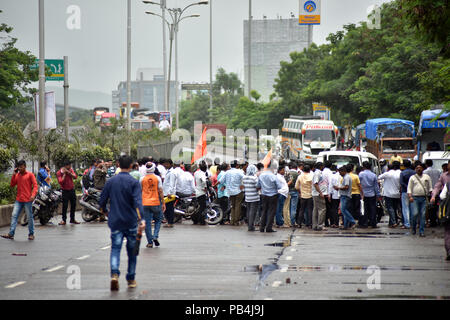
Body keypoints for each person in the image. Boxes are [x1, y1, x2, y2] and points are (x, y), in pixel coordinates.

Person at [99, 155, 146, 290]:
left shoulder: (110, 182)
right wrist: (141, 219)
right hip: (130, 222)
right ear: (131, 166)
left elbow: (102, 201)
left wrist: (105, 212)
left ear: (118, 165)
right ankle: (131, 279)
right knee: (132, 252)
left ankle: (114, 273)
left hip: (115, 222)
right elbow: (137, 202)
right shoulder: (133, 182)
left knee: (115, 249)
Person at [1, 160, 38, 240]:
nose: (20, 168)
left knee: (29, 217)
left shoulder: (30, 175)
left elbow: (35, 186)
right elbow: (12, 184)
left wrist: (33, 195)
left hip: (27, 199)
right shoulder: (17, 175)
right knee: (14, 215)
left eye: (21, 167)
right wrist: (14, 175)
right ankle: (11, 233)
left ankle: (31, 234)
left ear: (25, 166)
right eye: (19, 167)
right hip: (19, 199)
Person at [140, 162, 165, 248]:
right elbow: (160, 191)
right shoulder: (157, 178)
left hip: (145, 203)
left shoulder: (142, 179)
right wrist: (163, 202)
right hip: (156, 202)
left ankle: (150, 242)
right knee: (158, 220)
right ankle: (155, 236)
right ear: (154, 168)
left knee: (147, 223)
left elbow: (139, 191)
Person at [407, 162, 433, 237]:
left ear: (423, 168)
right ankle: (414, 228)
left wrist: (432, 196)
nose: (419, 169)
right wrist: (410, 196)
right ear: (415, 169)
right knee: (415, 214)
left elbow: (430, 187)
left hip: (424, 198)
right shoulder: (412, 177)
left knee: (423, 215)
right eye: (417, 168)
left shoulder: (427, 177)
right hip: (414, 198)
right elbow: (409, 188)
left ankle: (421, 231)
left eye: (420, 168)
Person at [257, 160, 282, 232]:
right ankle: (268, 227)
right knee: (271, 211)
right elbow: (279, 186)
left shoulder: (261, 175)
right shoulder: (273, 176)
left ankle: (262, 227)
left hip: (264, 195)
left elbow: (258, 185)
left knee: (264, 211)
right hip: (273, 195)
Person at [219, 160, 244, 226]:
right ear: (237, 165)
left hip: (230, 192)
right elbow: (244, 178)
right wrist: (242, 185)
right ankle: (236, 221)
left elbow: (221, 181)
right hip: (238, 191)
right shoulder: (239, 172)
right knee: (238, 206)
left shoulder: (227, 172)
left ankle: (232, 221)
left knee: (233, 206)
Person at [378, 162, 401, 228]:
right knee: (394, 208)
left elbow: (379, 177)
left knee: (390, 208)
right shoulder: (398, 173)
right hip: (397, 194)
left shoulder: (387, 174)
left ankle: (393, 222)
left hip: (388, 194)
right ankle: (393, 222)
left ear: (388, 168)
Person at [359, 161, 381, 228]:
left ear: (363, 167)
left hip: (363, 194)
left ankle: (365, 223)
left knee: (364, 209)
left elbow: (359, 184)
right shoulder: (373, 175)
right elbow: (376, 186)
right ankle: (373, 223)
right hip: (372, 194)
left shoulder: (361, 174)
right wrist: (378, 195)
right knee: (373, 209)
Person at [56, 160, 79, 225]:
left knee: (73, 204)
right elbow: (61, 181)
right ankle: (64, 220)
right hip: (65, 190)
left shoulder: (70, 170)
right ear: (65, 166)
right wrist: (64, 174)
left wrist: (68, 172)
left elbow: (75, 177)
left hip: (71, 189)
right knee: (65, 206)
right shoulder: (59, 173)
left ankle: (72, 219)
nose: (70, 166)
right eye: (69, 165)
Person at [242, 164, 260, 231]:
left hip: (247, 196)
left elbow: (243, 188)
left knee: (248, 211)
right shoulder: (254, 178)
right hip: (254, 197)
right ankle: (251, 226)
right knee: (253, 212)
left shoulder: (244, 177)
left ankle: (249, 225)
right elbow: (258, 186)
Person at [424, 159, 441, 227]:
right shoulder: (437, 171)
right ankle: (436, 220)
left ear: (426, 164)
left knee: (430, 208)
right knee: (436, 207)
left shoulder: (425, 172)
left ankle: (431, 221)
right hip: (437, 191)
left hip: (429, 192)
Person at [311, 162, 328, 231]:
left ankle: (315, 225)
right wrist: (320, 192)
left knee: (316, 209)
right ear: (321, 166)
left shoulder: (317, 173)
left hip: (316, 193)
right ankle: (320, 225)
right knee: (322, 209)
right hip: (318, 194)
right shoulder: (317, 173)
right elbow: (315, 183)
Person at [399, 160, 415, 229]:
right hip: (413, 192)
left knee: (405, 208)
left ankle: (407, 224)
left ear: (404, 165)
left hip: (405, 192)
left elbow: (401, 182)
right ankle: (412, 223)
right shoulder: (414, 172)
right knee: (412, 208)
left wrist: (407, 187)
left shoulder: (402, 173)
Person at [193, 161, 208, 225]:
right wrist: (205, 187)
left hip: (196, 190)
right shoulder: (202, 174)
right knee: (202, 207)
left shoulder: (196, 172)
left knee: (198, 207)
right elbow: (204, 181)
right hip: (201, 192)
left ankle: (195, 219)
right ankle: (201, 220)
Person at [287, 162, 300, 227]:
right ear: (296, 167)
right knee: (293, 207)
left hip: (288, 192)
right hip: (295, 192)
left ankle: (288, 221)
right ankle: (293, 222)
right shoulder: (297, 174)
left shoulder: (287, 173)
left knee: (287, 207)